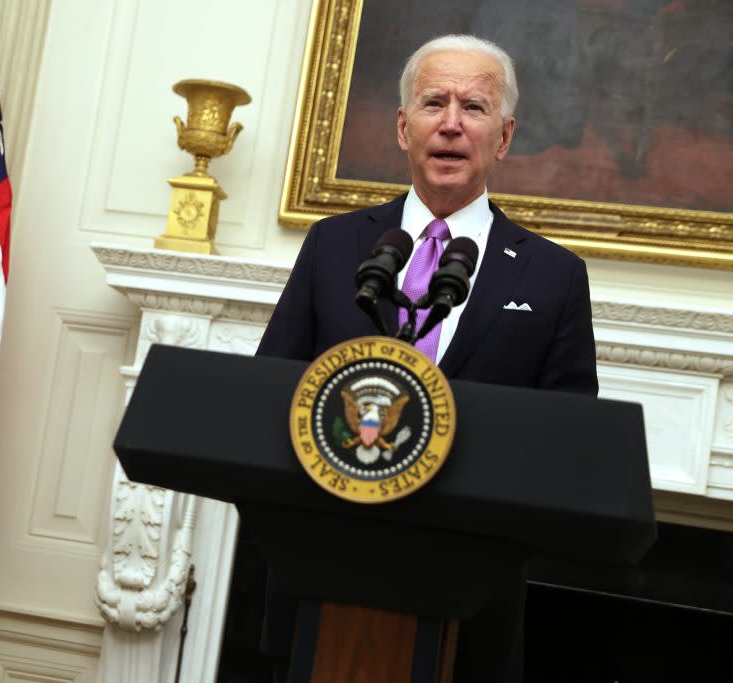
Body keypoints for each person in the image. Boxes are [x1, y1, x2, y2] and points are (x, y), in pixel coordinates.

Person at [254, 35, 597, 682]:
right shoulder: (335, 245)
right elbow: (273, 389)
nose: (451, 122)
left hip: (468, 603)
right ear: (403, 127)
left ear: (504, 136)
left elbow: (568, 440)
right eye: (434, 102)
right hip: (324, 580)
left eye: (474, 106)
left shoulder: (554, 277)